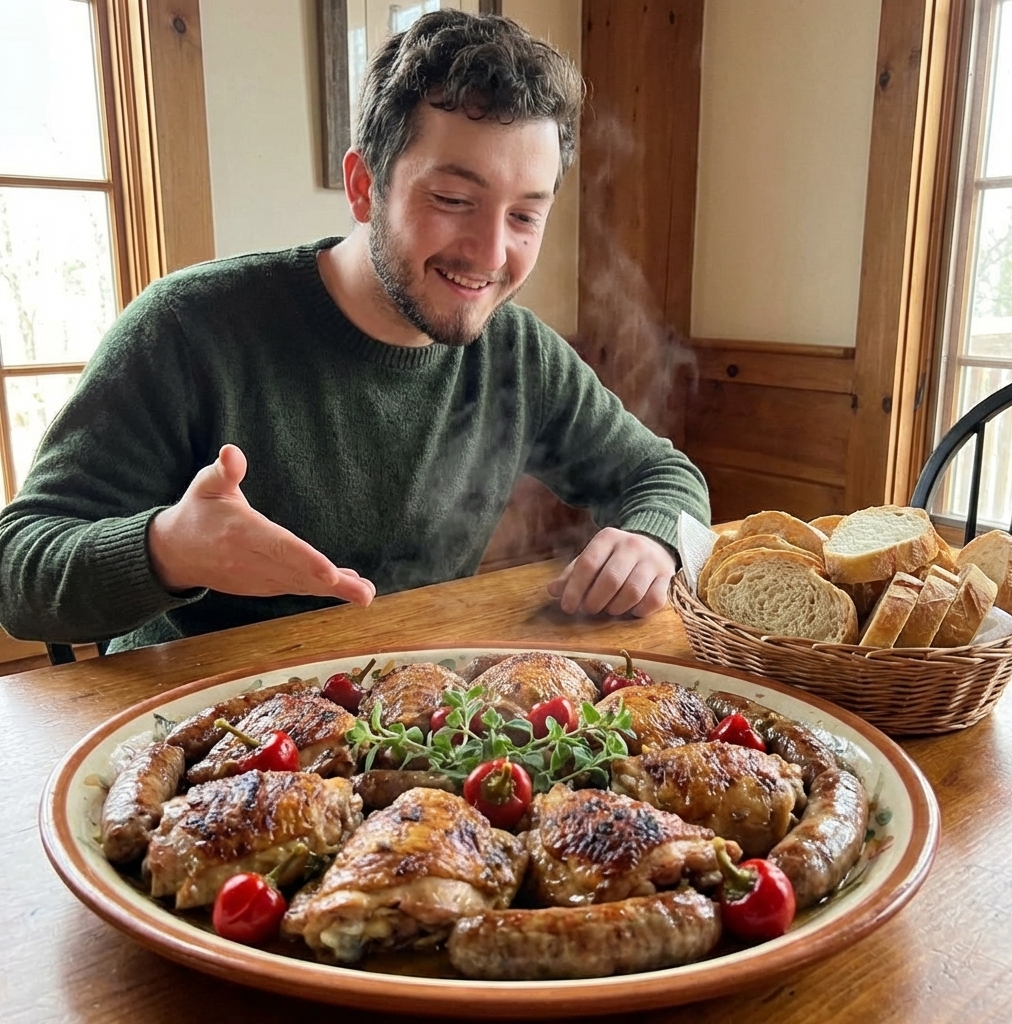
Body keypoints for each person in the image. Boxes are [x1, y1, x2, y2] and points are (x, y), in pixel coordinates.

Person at [0, 10, 709, 654]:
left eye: (525, 215)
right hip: (199, 741)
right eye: (454, 199)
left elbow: (663, 475)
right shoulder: (187, 330)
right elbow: (19, 568)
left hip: (411, 720)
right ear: (365, 186)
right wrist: (167, 550)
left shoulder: (518, 354)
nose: (491, 255)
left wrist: (652, 540)